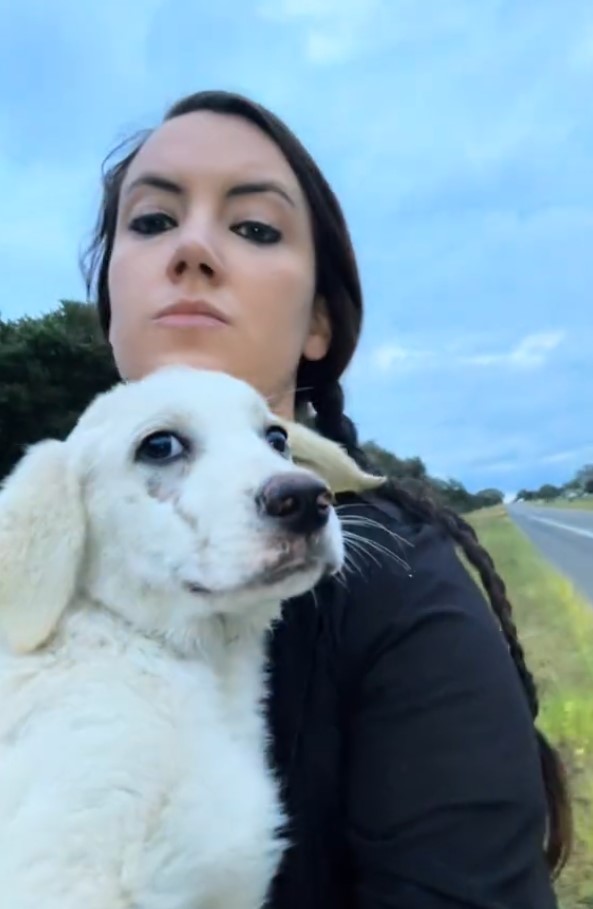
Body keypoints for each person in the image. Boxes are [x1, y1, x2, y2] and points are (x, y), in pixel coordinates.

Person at [82, 90, 571, 908]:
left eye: (253, 228)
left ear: (318, 323)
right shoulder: (42, 569)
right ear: (109, 305)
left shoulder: (391, 582)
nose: (192, 249)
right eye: (153, 220)